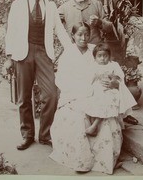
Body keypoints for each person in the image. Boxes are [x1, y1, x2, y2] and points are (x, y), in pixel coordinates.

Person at [3, 0, 71, 151]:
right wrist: (9, 57)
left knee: (51, 95)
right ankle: (27, 135)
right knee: (23, 97)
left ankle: (45, 134)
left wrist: (73, 50)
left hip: (43, 52)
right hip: (22, 53)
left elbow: (60, 31)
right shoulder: (17, 4)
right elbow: (11, 32)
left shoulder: (50, 4)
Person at [58, 0, 138, 125]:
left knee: (111, 78)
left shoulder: (97, 5)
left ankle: (124, 112)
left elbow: (110, 27)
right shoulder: (63, 8)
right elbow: (55, 28)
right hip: (78, 54)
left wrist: (100, 22)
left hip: (96, 52)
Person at [49, 22, 123, 174]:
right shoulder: (67, 54)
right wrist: (79, 91)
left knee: (106, 110)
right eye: (79, 35)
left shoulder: (94, 50)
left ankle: (103, 158)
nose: (83, 38)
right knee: (77, 116)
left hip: (97, 89)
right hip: (74, 91)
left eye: (86, 34)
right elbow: (62, 79)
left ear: (90, 35)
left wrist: (112, 82)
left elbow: (111, 66)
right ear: (73, 36)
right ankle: (81, 159)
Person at [84, 42, 137, 137]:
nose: (102, 58)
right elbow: (88, 80)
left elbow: (120, 78)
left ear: (109, 56)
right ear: (95, 57)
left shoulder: (113, 65)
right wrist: (96, 76)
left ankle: (94, 126)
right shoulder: (93, 66)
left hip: (111, 89)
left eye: (105, 56)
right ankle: (94, 124)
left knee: (109, 98)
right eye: (99, 56)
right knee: (98, 98)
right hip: (97, 89)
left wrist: (113, 79)